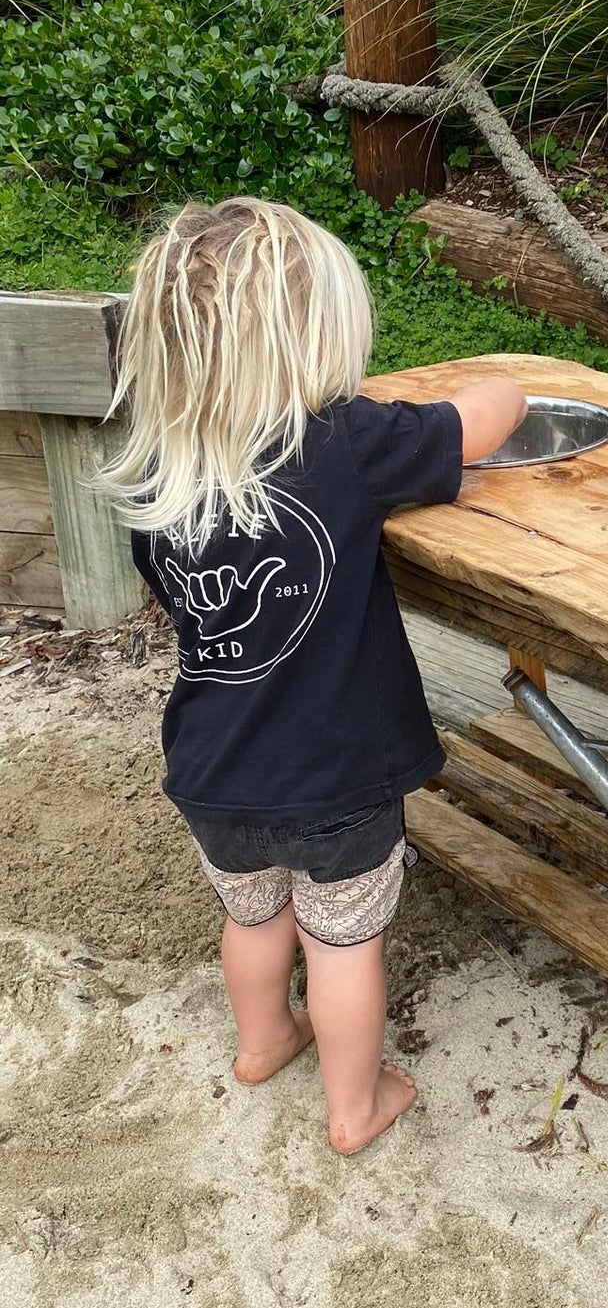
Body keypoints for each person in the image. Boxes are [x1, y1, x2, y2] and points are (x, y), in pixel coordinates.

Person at [99, 196, 526, 1152]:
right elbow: (488, 418)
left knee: (254, 923)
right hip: (339, 774)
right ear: (311, 342)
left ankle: (262, 1043)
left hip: (213, 773)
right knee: (343, 942)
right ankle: (354, 1105)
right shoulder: (345, 444)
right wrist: (509, 376)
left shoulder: (154, 482)